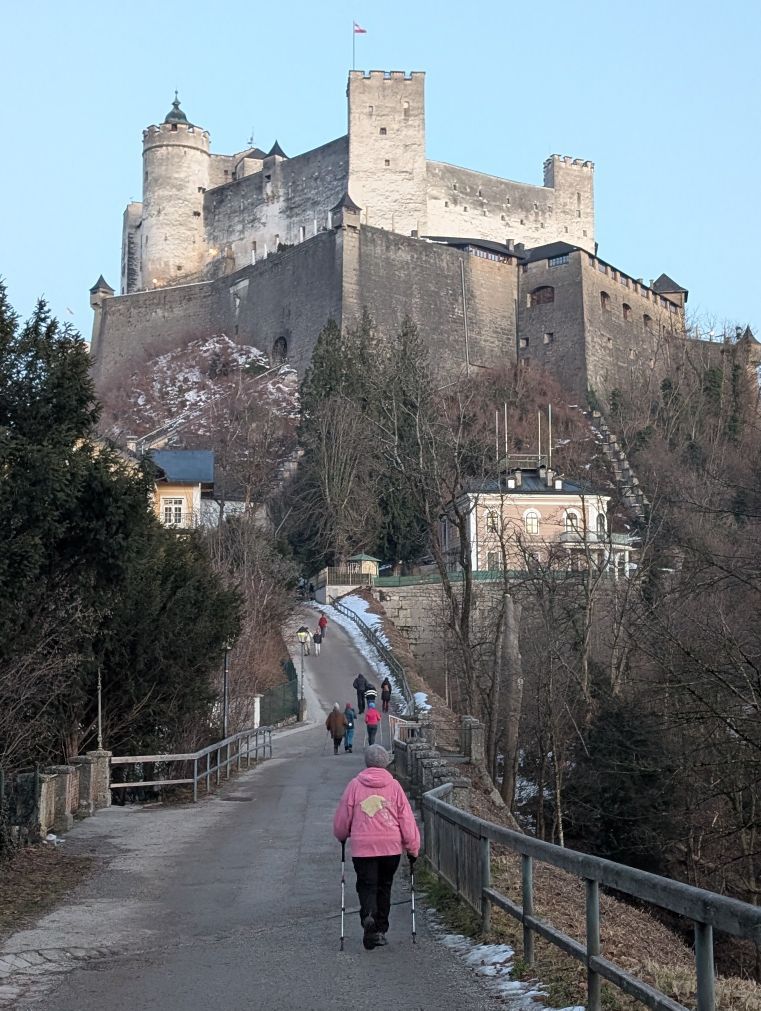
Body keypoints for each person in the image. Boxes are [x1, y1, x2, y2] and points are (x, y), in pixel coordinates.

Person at [333, 744, 420, 950]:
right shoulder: (395, 787)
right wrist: (413, 847)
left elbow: (343, 818)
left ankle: (368, 916)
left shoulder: (355, 785)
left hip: (363, 847)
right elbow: (406, 819)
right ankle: (379, 930)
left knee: (366, 884)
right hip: (390, 847)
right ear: (385, 764)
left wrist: (342, 834)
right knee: (384, 885)